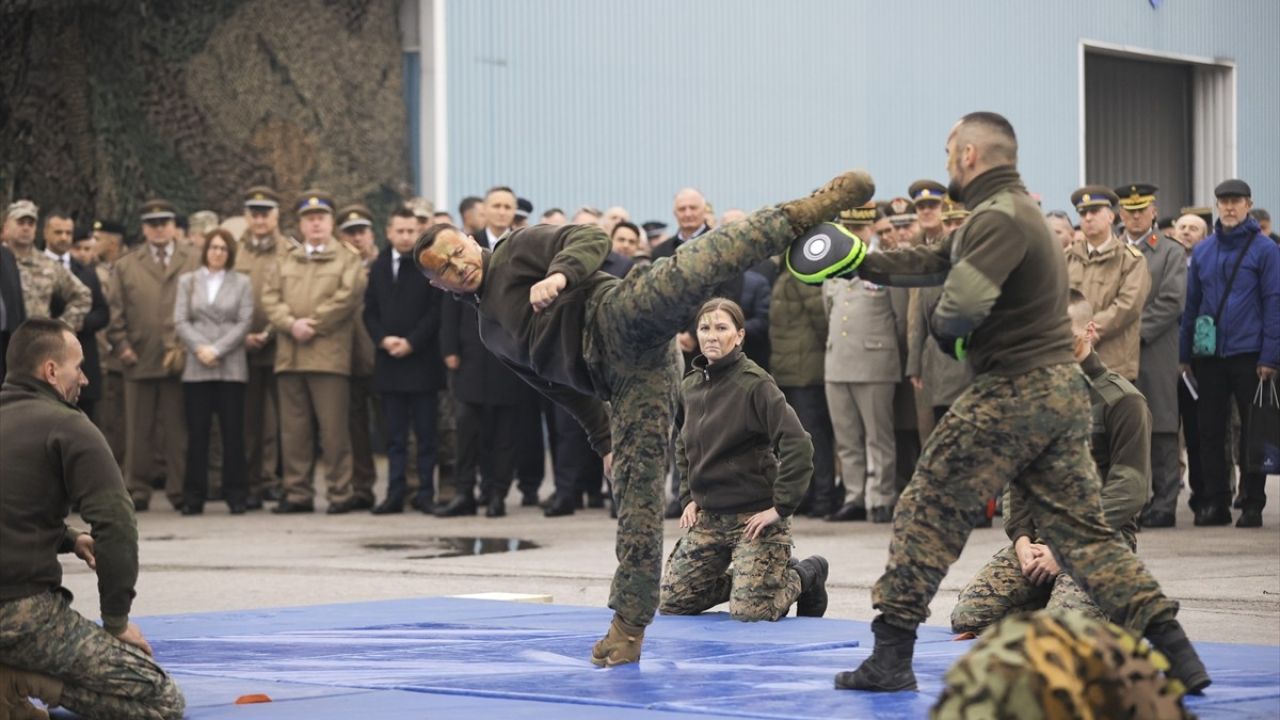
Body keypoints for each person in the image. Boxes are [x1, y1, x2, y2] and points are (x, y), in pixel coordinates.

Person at [785, 112, 1207, 694]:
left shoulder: (1000, 218)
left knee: (925, 512)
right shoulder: (1005, 214)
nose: (945, 160)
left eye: (948, 150)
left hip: (1014, 389)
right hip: (1056, 391)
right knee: (1086, 535)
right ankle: (1181, 655)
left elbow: (957, 308)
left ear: (969, 156)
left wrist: (954, 337)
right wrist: (859, 259)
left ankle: (889, 658)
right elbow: (932, 261)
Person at [413, 168, 872, 665]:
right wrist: (605, 441)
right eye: (445, 267)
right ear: (437, 284)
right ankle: (628, 629)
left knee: (696, 263)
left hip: (621, 315)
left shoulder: (518, 247)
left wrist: (560, 275)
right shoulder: (490, 333)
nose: (458, 265)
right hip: (627, 383)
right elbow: (556, 389)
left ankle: (807, 210)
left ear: (468, 238)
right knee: (637, 500)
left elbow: (587, 237)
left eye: (457, 251)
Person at [0, 318, 185, 720]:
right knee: (162, 699)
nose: (84, 379)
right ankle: (17, 682)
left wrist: (67, 538)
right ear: (51, 371)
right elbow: (116, 523)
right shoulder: (69, 425)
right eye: (77, 367)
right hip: (17, 613)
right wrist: (116, 621)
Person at [951, 291, 1150, 634]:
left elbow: (1130, 490)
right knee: (968, 616)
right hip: (1041, 538)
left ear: (1088, 331)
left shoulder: (1123, 401)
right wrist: (1022, 539)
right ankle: (1058, 596)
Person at [658, 297, 826, 621]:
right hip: (710, 516)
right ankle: (759, 579)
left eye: (721, 328)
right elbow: (683, 443)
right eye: (704, 328)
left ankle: (806, 574)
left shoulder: (755, 384)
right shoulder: (690, 386)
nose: (711, 336)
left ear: (739, 336)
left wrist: (780, 508)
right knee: (673, 601)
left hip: (754, 516)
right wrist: (689, 497)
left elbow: (798, 444)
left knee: (752, 612)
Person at [1179, 179, 1280, 529]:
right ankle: (1216, 501)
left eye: (1236, 201)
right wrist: (1184, 355)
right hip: (1209, 356)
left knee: (1253, 432)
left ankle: (1252, 503)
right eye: (1224, 202)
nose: (1229, 207)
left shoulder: (1265, 250)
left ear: (1249, 204)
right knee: (1209, 431)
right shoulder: (1205, 251)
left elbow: (1274, 303)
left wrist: (1270, 356)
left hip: (1250, 354)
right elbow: (1191, 306)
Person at [261, 190, 364, 514]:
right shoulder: (286, 259)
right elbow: (269, 298)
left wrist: (313, 325)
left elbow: (348, 297)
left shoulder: (347, 258)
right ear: (301, 224)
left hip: (328, 357)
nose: (315, 223)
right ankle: (297, 493)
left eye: (321, 218)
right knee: (294, 433)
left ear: (332, 222)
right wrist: (291, 324)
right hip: (290, 356)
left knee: (334, 432)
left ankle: (339, 492)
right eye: (309, 219)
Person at [108, 199, 201, 511]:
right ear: (144, 228)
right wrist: (122, 346)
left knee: (178, 431)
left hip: (182, 356)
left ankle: (179, 490)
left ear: (174, 226)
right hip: (140, 355)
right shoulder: (126, 265)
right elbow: (115, 313)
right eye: (152, 223)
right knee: (139, 431)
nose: (159, 229)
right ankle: (137, 490)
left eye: (165, 222)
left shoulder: (195, 259)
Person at [364, 207, 446, 514]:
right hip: (389, 363)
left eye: (411, 231)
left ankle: (425, 493)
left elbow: (436, 311)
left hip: (422, 363)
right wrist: (383, 339)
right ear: (389, 232)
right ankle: (395, 492)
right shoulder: (380, 266)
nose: (405, 236)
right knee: (394, 438)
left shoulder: (429, 265)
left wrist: (412, 341)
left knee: (426, 436)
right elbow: (368, 310)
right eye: (400, 231)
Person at [1114, 183, 1186, 529]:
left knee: (1161, 424)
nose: (1135, 216)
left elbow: (1172, 300)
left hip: (1154, 349)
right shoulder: (1111, 249)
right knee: (1123, 426)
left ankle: (1165, 502)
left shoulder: (1169, 251)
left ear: (1154, 211)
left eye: (1141, 209)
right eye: (1129, 210)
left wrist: (1135, 333)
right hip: (1114, 352)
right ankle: (1130, 505)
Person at [825, 203, 902, 524]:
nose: (854, 233)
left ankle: (882, 497)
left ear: (871, 228)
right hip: (837, 361)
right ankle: (854, 497)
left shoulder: (884, 262)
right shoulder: (832, 264)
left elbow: (899, 317)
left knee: (878, 436)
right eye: (848, 227)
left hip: (875, 361)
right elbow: (828, 309)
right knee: (846, 437)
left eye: (860, 227)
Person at [174, 230, 253, 515]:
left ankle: (236, 494)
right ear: (205, 250)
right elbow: (180, 320)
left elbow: (245, 321)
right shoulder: (188, 281)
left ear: (230, 253)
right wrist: (201, 348)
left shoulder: (242, 282)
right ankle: (194, 496)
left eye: (223, 248)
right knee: (198, 434)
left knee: (233, 433)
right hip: (197, 366)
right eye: (213, 247)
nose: (217, 252)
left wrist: (218, 350)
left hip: (231, 366)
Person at [236, 186, 288, 509]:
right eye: (254, 213)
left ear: (276, 216)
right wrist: (242, 335)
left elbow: (291, 296)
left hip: (280, 344)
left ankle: (276, 481)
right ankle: (252, 481)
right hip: (240, 348)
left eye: (265, 212)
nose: (259, 219)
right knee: (249, 421)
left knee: (282, 421)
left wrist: (268, 332)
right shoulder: (234, 251)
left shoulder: (289, 250)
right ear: (246, 216)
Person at [1065, 186, 1150, 381]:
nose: (1088, 218)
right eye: (1083, 213)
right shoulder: (1067, 258)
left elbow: (1128, 305)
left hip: (1113, 362)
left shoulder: (1131, 259)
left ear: (1111, 217)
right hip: (1072, 359)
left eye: (1094, 212)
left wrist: (1089, 331)